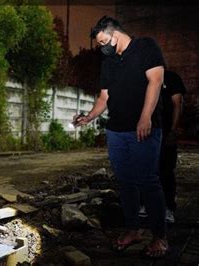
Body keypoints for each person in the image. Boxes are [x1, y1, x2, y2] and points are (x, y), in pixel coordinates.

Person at [75, 16, 168, 258]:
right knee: (125, 182)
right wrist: (88, 117)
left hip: (143, 128)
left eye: (104, 41)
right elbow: (104, 97)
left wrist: (146, 116)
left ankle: (159, 237)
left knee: (148, 181)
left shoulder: (146, 46)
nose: (102, 47)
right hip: (116, 131)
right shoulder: (109, 62)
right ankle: (133, 230)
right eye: (100, 44)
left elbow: (155, 81)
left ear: (115, 34)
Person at [159, 70, 186, 223]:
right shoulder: (142, 77)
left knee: (166, 170)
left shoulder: (171, 77)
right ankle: (144, 204)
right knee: (145, 169)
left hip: (165, 131)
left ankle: (168, 208)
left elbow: (177, 103)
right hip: (146, 131)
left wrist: (173, 130)